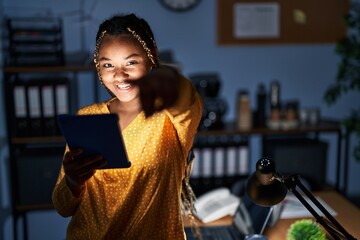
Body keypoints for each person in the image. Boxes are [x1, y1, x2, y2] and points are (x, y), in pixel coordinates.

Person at [52, 13, 203, 239]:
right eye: (108, 65)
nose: (119, 75)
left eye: (131, 62)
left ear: (151, 58)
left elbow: (185, 95)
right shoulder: (87, 117)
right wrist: (73, 182)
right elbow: (63, 207)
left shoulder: (171, 118)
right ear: (98, 67)